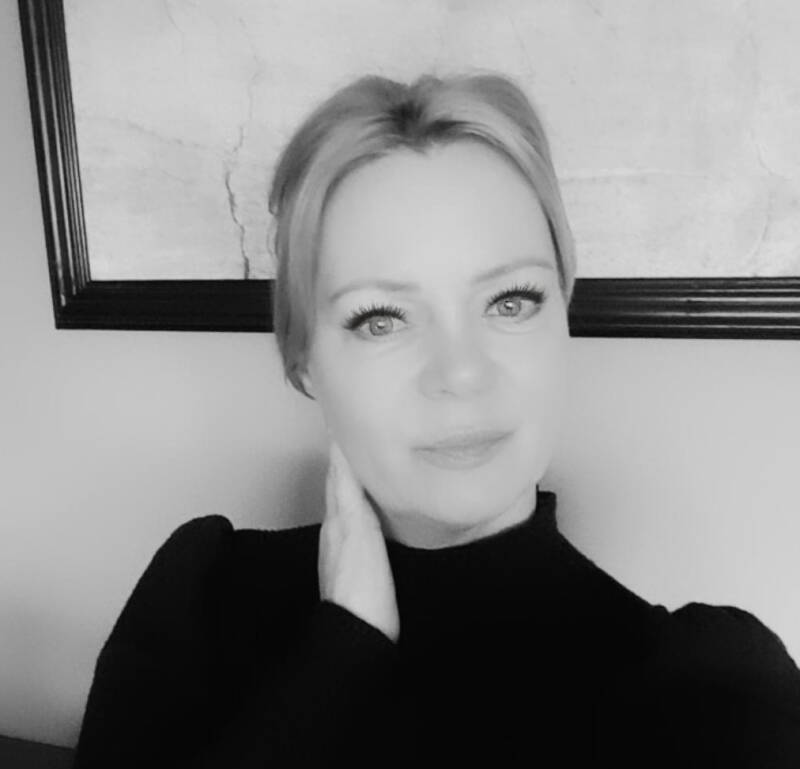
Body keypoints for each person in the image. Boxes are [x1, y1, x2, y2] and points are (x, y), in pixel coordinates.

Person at [72, 73, 800, 767]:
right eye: (380, 318)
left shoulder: (717, 694)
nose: (461, 372)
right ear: (303, 360)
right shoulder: (201, 599)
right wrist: (341, 652)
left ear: (563, 317)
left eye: (511, 301)